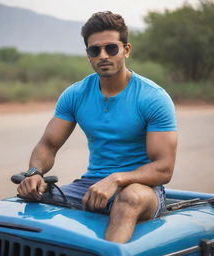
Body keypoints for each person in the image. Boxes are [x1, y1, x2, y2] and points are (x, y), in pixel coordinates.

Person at [17, 11, 177, 243]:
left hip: (143, 190)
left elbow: (164, 168)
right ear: (88, 55)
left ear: (126, 50)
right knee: (29, 195)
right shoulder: (75, 94)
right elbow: (48, 145)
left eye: (111, 48)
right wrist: (34, 173)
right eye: (95, 50)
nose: (103, 55)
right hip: (89, 185)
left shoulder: (152, 98)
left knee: (128, 198)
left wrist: (116, 179)